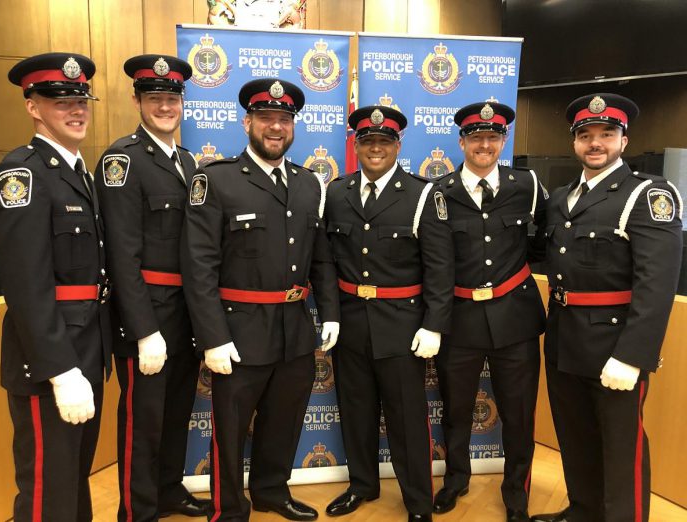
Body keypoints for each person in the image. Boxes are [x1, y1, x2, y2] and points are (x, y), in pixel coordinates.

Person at [181, 78, 341, 522]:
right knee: (230, 431)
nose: (276, 127)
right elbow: (198, 268)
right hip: (238, 330)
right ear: (247, 121)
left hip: (294, 328)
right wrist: (212, 337)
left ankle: (272, 490)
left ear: (293, 127)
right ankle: (229, 508)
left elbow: (322, 259)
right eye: (266, 118)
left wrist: (329, 313)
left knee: (284, 420)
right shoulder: (216, 180)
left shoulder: (310, 184)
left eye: (284, 119)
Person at [531, 94, 683, 522]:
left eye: (606, 134)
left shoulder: (647, 194)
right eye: (585, 136)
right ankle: (583, 509)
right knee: (575, 435)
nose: (595, 143)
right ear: (574, 143)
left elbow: (657, 285)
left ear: (623, 139)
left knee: (621, 446)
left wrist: (633, 356)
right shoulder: (561, 198)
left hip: (613, 346)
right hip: (564, 336)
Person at [0, 52, 110, 520]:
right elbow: (25, 284)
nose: (76, 110)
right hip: (48, 364)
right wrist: (60, 370)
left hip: (86, 350)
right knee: (46, 491)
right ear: (33, 107)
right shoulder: (22, 174)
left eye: (81, 99)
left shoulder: (78, 172)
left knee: (72, 483)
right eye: (60, 101)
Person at [323, 105, 453, 522]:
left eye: (384, 142)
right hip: (351, 323)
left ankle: (418, 502)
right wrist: (330, 315)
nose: (375, 149)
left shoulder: (421, 194)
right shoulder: (337, 192)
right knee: (356, 411)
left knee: (406, 420)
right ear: (356, 145)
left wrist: (434, 324)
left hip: (402, 325)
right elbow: (326, 261)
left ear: (398, 145)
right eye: (367, 141)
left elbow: (439, 267)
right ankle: (362, 484)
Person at [94, 54, 210, 519]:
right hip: (148, 315)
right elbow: (121, 256)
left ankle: (167, 490)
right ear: (138, 100)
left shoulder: (185, 160)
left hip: (185, 311)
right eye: (155, 98)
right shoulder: (122, 161)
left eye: (172, 98)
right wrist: (144, 330)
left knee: (177, 411)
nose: (165, 106)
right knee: (143, 422)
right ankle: (137, 509)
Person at [432, 101, 546, 522]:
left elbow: (543, 243)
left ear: (503, 141)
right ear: (461, 142)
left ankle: (517, 493)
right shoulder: (439, 193)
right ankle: (455, 480)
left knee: (518, 415)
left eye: (492, 137)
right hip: (459, 319)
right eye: (475, 137)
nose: (484, 145)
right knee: (455, 409)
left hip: (515, 320)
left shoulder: (527, 186)